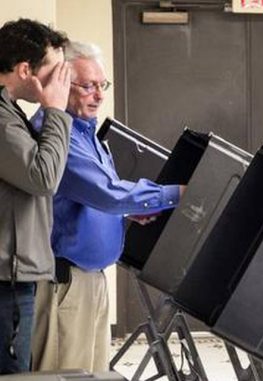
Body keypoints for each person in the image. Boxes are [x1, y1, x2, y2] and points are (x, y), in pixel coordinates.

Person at [30, 41, 184, 372]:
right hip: (66, 283)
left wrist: (129, 210)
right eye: (87, 85)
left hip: (91, 280)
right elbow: (109, 193)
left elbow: (90, 197)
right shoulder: (58, 136)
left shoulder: (89, 136)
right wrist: (181, 193)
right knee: (64, 375)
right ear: (61, 83)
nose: (98, 95)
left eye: (102, 85)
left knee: (94, 374)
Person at [0, 19, 72, 374]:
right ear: (25, 69)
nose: (63, 83)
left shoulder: (11, 114)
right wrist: (56, 111)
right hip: (6, 282)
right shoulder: (2, 120)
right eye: (56, 72)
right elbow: (43, 177)